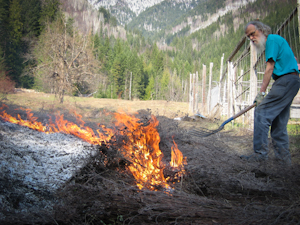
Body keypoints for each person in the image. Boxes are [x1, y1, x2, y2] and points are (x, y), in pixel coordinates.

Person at [240, 21, 300, 165]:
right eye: (249, 37)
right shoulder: (277, 41)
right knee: (279, 124)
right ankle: (284, 162)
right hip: (291, 81)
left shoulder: (272, 39)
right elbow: (293, 60)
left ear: (261, 30)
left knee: (261, 112)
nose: (252, 38)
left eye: (253, 34)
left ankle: (260, 155)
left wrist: (261, 93)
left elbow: (269, 68)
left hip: (285, 81)